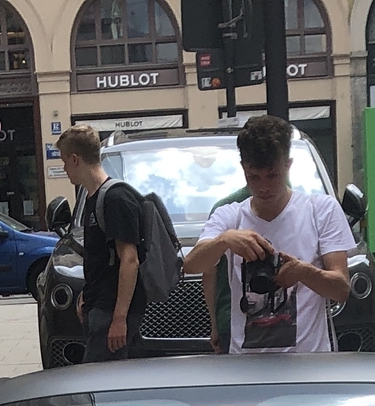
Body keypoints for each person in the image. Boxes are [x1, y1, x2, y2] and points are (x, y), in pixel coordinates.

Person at [183, 114, 354, 355]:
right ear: (243, 169)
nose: (263, 187)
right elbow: (192, 265)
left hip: (309, 365)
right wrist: (224, 241)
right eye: (254, 177)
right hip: (247, 365)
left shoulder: (320, 210)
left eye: (272, 175)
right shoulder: (230, 215)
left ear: (288, 165)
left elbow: (341, 289)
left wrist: (304, 272)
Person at [57, 125, 145, 361]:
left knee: (101, 384)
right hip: (100, 307)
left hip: (111, 312)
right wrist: (87, 294)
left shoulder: (116, 198)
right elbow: (100, 257)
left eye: (65, 161)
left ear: (75, 159)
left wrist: (119, 319)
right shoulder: (91, 198)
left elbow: (130, 259)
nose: (64, 169)